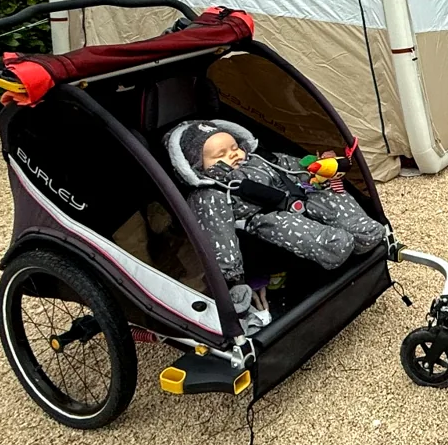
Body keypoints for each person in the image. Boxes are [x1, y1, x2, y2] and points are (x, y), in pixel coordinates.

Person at [164, 119, 386, 332]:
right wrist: (232, 280)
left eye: (234, 147)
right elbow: (217, 236)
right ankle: (333, 245)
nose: (233, 154)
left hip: (295, 192)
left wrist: (314, 170)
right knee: (287, 226)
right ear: (197, 167)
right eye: (220, 155)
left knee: (329, 194)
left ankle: (361, 228)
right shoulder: (210, 192)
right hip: (263, 217)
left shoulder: (261, 158)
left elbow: (290, 165)